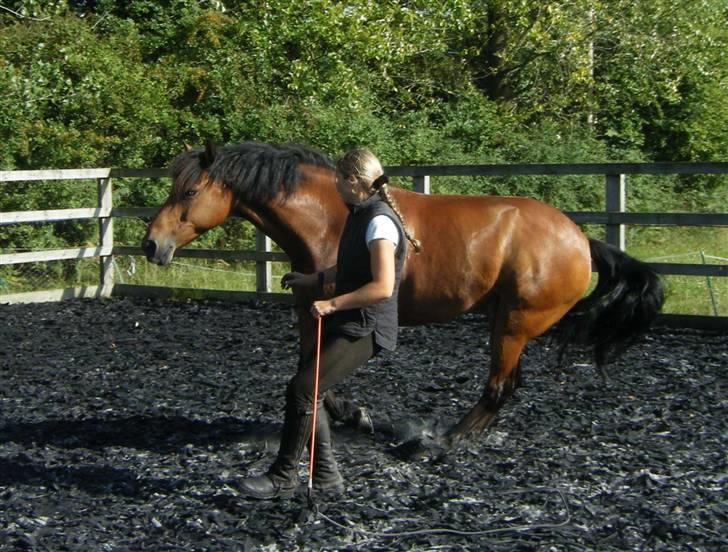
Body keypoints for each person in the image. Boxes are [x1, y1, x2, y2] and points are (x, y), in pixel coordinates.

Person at [237, 148, 421, 499]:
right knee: (311, 389)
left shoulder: (380, 223)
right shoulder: (359, 214)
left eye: (338, 178)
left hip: (367, 327)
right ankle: (325, 476)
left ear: (352, 181)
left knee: (303, 389)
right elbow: (351, 267)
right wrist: (312, 280)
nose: (335, 184)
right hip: (350, 318)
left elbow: (382, 287)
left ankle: (283, 477)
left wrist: (331, 303)